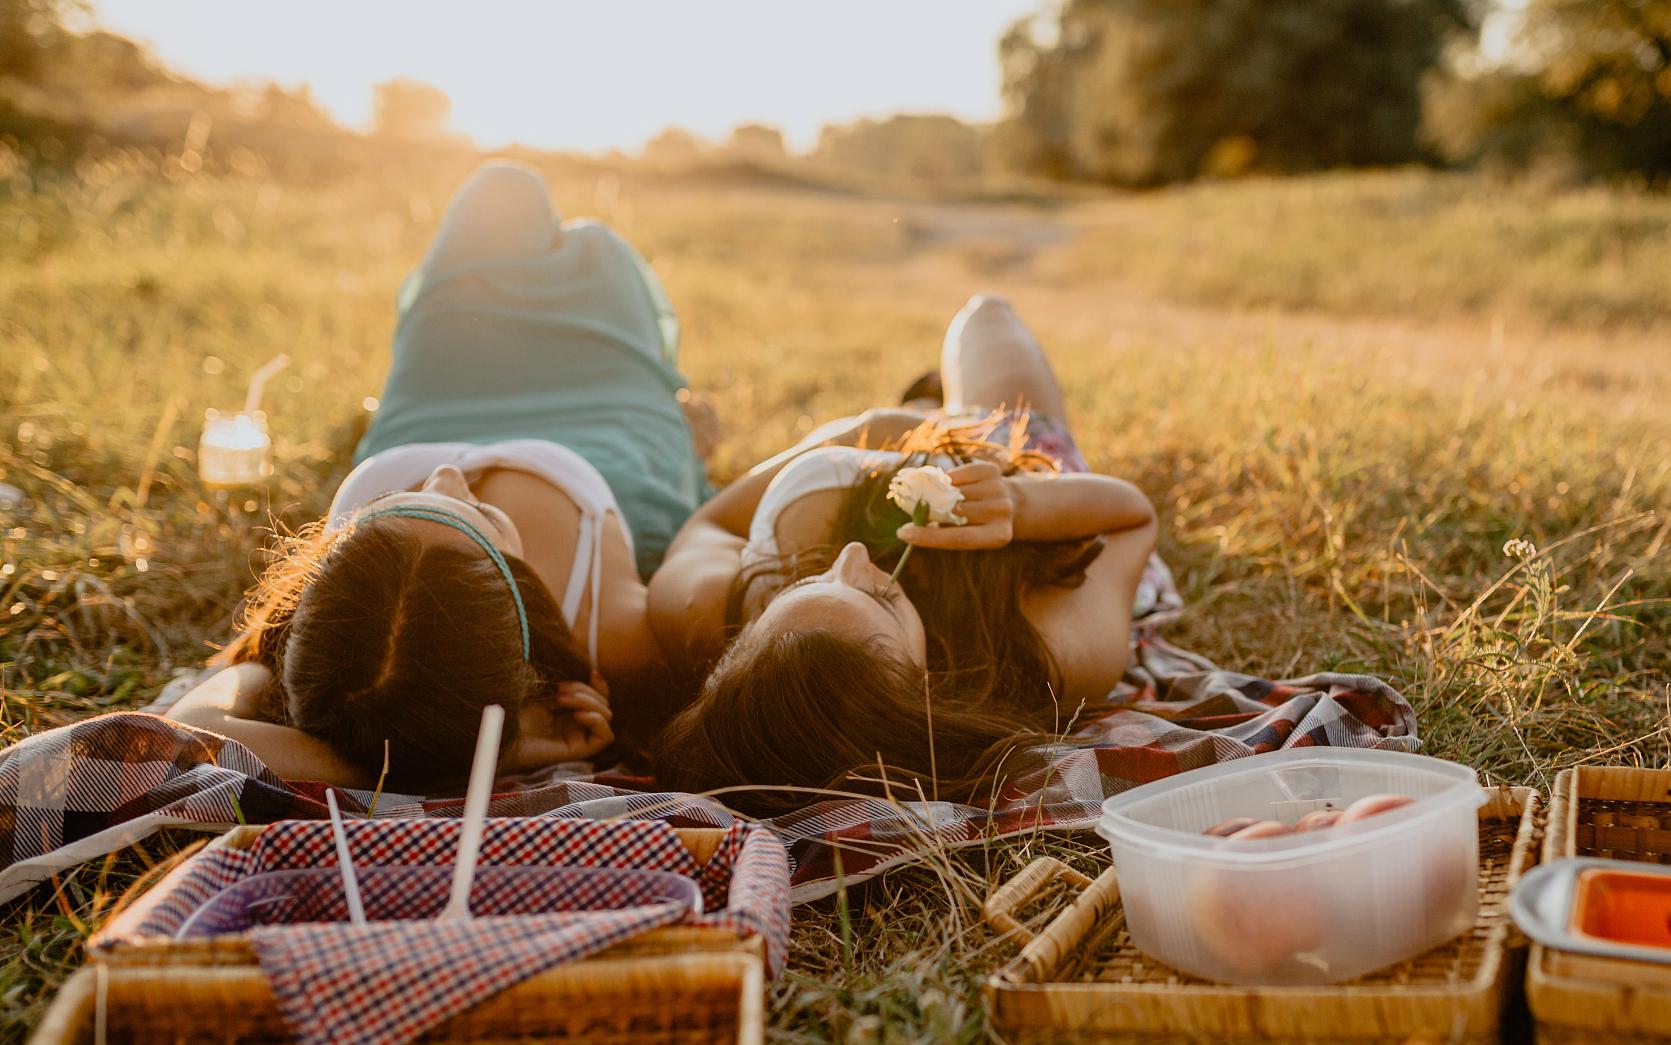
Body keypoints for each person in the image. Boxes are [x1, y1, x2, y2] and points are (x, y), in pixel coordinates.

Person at [169, 163, 715, 790]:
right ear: (521, 606)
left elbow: (190, 740)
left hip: (440, 395)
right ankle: (681, 421)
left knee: (502, 192)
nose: (449, 475)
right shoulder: (613, 632)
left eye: (402, 506)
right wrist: (490, 752)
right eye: (482, 522)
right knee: (600, 253)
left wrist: (395, 761)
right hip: (616, 436)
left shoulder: (341, 641)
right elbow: (715, 530)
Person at [649, 293, 1163, 816]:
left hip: (888, 450)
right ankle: (934, 405)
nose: (850, 556)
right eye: (880, 597)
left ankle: (924, 407)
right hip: (1022, 466)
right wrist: (1021, 502)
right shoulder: (1052, 658)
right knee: (986, 314)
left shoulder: (698, 610)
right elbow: (1132, 519)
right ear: (922, 690)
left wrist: (867, 432)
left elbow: (709, 520)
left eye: (802, 584)